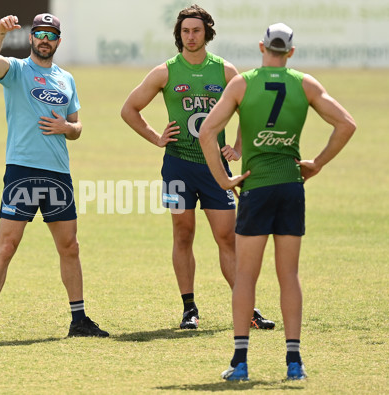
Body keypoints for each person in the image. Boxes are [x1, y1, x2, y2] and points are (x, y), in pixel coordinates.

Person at [199, 23, 356, 380]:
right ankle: (294, 363)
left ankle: (240, 362)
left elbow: (207, 132)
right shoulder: (305, 84)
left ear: (261, 47)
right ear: (291, 52)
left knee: (245, 276)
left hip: (256, 188)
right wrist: (317, 163)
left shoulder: (242, 83)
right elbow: (346, 124)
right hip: (290, 187)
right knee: (289, 276)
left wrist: (223, 179)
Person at [121, 4, 274, 331]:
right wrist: (155, 138)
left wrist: (238, 146)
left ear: (207, 33)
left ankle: (247, 306)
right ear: (179, 34)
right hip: (178, 167)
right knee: (183, 234)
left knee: (227, 237)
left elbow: (250, 111)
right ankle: (189, 308)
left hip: (215, 169)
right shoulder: (165, 71)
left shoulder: (225, 71)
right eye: (185, 31)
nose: (190, 36)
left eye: (196, 31)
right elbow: (129, 109)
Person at [0, 13, 109, 340]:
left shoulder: (66, 79)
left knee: (70, 246)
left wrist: (67, 128)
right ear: (32, 38)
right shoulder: (18, 71)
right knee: (7, 245)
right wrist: (1, 32)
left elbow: (76, 127)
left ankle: (79, 320)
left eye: (51, 34)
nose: (45, 39)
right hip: (22, 170)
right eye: (39, 34)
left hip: (58, 173)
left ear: (58, 41)